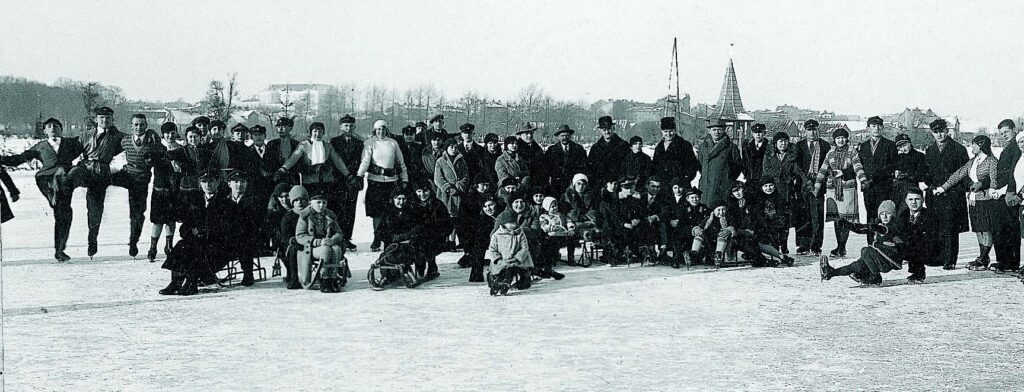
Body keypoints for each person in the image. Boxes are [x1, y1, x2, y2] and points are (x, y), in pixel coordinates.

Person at [0, 117, 82, 261]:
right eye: (49, 126)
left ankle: (60, 250)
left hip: (65, 181)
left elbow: (89, 147)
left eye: (55, 126)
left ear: (61, 129)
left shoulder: (71, 143)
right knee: (60, 182)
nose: (52, 128)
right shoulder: (39, 147)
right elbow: (19, 159)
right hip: (46, 179)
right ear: (45, 131)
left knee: (64, 212)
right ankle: (53, 190)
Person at [159, 170, 237, 296]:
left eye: (211, 181)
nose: (207, 185)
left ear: (217, 182)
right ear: (200, 184)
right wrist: (192, 231)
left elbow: (227, 229)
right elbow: (185, 226)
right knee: (182, 244)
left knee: (195, 248)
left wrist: (205, 231)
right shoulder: (196, 203)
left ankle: (191, 282)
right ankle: (176, 282)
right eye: (204, 182)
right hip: (198, 243)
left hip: (219, 247)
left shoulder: (226, 204)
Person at [64, 106, 126, 257]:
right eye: (102, 118)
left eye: (108, 118)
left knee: (95, 208)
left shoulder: (118, 136)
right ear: (97, 119)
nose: (105, 120)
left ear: (112, 120)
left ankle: (93, 237)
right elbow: (72, 152)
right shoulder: (85, 135)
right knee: (72, 174)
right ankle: (62, 200)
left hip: (101, 173)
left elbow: (133, 141)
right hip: (85, 167)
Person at [933, 135, 1000, 271]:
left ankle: (983, 257)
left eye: (974, 144)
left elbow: (994, 179)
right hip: (974, 200)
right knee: (978, 229)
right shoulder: (973, 161)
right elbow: (958, 175)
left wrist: (990, 189)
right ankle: (983, 257)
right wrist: (943, 187)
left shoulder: (991, 160)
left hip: (986, 199)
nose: (972, 147)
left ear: (981, 145)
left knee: (986, 229)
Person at [112, 114, 166, 258]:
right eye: (136, 124)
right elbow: (110, 150)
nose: (139, 127)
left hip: (140, 179)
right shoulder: (125, 141)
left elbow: (162, 154)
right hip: (126, 174)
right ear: (131, 126)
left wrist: (154, 155)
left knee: (137, 212)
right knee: (101, 178)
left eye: (142, 124)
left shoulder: (152, 140)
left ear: (146, 126)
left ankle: (133, 241)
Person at [820, 200, 905, 286]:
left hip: (890, 261)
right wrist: (847, 224)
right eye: (882, 214)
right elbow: (862, 228)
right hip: (879, 257)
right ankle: (831, 272)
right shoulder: (878, 224)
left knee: (866, 251)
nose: (885, 216)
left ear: (893, 215)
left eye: (888, 213)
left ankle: (875, 277)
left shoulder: (895, 227)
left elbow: (885, 230)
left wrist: (876, 227)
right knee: (856, 266)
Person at [923, 119, 969, 270]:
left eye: (942, 131)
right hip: (935, 194)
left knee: (950, 228)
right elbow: (927, 173)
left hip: (952, 194)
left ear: (947, 131)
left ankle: (950, 259)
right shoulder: (929, 151)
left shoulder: (959, 149)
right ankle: (938, 257)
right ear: (932, 133)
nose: (939, 134)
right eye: (936, 132)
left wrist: (955, 190)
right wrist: (929, 185)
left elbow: (965, 173)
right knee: (935, 225)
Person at [812, 127, 865, 258]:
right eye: (838, 138)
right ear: (834, 140)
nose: (840, 140)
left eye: (842, 138)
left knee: (845, 219)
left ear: (846, 139)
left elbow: (858, 167)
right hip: (832, 189)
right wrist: (817, 187)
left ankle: (842, 247)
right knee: (837, 219)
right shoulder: (830, 153)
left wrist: (863, 180)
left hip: (847, 189)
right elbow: (823, 170)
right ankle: (838, 245)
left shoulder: (852, 151)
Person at [279, 122, 352, 197]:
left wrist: (348, 174)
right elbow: (293, 158)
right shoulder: (304, 145)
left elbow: (338, 161)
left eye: (320, 131)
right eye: (315, 131)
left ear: (323, 133)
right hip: (310, 181)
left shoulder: (327, 146)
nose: (318, 134)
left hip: (326, 180)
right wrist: (283, 168)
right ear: (311, 132)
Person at [295, 192, 348, 293]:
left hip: (328, 243)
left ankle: (333, 278)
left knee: (336, 249)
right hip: (312, 247)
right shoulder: (305, 216)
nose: (321, 205)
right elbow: (300, 236)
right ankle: (324, 279)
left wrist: (333, 239)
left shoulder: (329, 215)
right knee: (325, 250)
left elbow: (338, 233)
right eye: (318, 202)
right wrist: (318, 242)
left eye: (324, 203)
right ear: (311, 203)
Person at [857, 116, 897, 245]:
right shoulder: (863, 146)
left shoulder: (890, 145)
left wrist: (873, 178)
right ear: (868, 128)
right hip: (868, 188)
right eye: (873, 126)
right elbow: (858, 165)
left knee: (884, 215)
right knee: (870, 215)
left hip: (883, 186)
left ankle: (884, 243)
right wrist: (863, 181)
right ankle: (871, 243)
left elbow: (892, 166)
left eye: (879, 126)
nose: (876, 129)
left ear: (882, 128)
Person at [761, 131, 803, 254]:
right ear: (775, 143)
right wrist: (781, 175)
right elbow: (766, 170)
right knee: (773, 219)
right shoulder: (769, 154)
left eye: (785, 141)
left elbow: (797, 170)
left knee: (785, 220)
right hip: (772, 191)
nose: (783, 144)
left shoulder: (791, 156)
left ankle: (784, 245)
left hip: (787, 192)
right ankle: (774, 245)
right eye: (781, 141)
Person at [147, 122, 183, 262]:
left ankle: (169, 246)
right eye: (167, 133)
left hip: (174, 190)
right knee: (157, 221)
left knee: (171, 219)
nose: (170, 135)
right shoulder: (157, 148)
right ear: (163, 134)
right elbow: (148, 162)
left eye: (172, 132)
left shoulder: (181, 149)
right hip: (159, 189)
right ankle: (153, 247)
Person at [794, 119, 831, 256]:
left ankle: (815, 246)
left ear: (818, 130)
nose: (812, 132)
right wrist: (804, 180)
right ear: (805, 131)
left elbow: (829, 166)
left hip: (819, 185)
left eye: (815, 129)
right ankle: (803, 245)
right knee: (803, 216)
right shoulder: (799, 145)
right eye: (809, 130)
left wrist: (821, 180)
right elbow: (796, 165)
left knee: (817, 216)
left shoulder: (825, 145)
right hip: (803, 185)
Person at [329, 114, 364, 251]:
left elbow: (362, 161)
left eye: (350, 126)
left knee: (350, 210)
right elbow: (332, 161)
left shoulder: (359, 143)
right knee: (337, 209)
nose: (348, 128)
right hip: (338, 181)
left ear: (354, 127)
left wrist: (358, 177)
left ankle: (347, 238)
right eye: (346, 126)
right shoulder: (334, 142)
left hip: (353, 181)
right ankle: (337, 237)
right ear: (341, 127)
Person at [991, 119, 1022, 272]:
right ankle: (1005, 259)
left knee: (1009, 229)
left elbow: (1013, 173)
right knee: (1001, 228)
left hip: (1010, 193)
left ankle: (1011, 262)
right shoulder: (1008, 147)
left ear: (1014, 129)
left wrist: (1006, 190)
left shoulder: (1017, 147)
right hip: (1003, 191)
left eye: (1006, 132)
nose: (1004, 135)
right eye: (1001, 133)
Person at [486, 209, 535, 296]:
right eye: (511, 223)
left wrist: (517, 258)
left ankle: (506, 283)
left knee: (511, 270)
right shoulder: (497, 235)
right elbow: (492, 249)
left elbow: (524, 248)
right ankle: (497, 283)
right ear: (504, 224)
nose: (514, 224)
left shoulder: (520, 233)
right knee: (501, 271)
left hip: (516, 260)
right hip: (501, 261)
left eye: (515, 222)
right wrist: (498, 260)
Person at [597, 178, 646, 265]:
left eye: (631, 188)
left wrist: (636, 219)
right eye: (626, 188)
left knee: (639, 228)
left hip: (626, 224)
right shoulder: (609, 200)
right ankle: (614, 253)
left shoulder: (630, 199)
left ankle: (636, 251)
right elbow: (611, 217)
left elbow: (638, 212)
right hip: (612, 225)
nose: (629, 190)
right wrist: (623, 224)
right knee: (620, 232)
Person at [698, 119, 743, 211]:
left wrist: (727, 177)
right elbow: (700, 164)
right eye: (714, 130)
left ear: (724, 130)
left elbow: (738, 165)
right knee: (706, 211)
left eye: (719, 129)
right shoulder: (703, 147)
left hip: (723, 185)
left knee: (722, 211)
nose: (717, 132)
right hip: (706, 185)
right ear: (709, 131)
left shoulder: (731, 147)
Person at [895, 188, 938, 283]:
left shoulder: (929, 215)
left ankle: (919, 273)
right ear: (906, 201)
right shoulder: (904, 214)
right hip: (910, 246)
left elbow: (930, 238)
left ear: (922, 200)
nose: (913, 202)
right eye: (910, 199)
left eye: (917, 199)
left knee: (916, 243)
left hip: (926, 250)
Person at [412, 181, 453, 280]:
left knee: (427, 244)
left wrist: (440, 233)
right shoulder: (412, 204)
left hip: (435, 237)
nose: (422, 194)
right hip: (417, 236)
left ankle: (431, 268)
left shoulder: (437, 204)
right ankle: (420, 269)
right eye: (419, 191)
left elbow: (446, 223)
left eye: (425, 191)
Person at [434, 137, 469, 250]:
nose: (453, 149)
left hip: (457, 193)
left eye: (455, 147)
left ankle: (452, 241)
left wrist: (459, 185)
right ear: (446, 148)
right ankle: (444, 240)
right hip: (446, 194)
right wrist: (447, 187)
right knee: (446, 217)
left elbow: (465, 175)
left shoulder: (461, 159)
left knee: (455, 217)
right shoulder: (440, 161)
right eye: (451, 147)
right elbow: (438, 178)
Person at [664, 184, 710, 268]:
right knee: (677, 238)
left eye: (697, 197)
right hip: (686, 236)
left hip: (700, 236)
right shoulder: (682, 209)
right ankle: (677, 258)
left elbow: (708, 221)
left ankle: (701, 256)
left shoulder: (704, 209)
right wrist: (692, 230)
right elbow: (679, 226)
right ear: (687, 199)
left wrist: (699, 230)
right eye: (692, 197)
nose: (695, 199)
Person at [653, 117, 699, 190]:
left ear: (675, 131)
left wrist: (685, 179)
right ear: (661, 131)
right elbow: (655, 166)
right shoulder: (659, 147)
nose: (668, 134)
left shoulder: (684, 145)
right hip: (663, 186)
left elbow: (692, 165)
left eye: (671, 131)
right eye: (665, 131)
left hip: (680, 186)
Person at [586, 116, 631, 187]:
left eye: (609, 129)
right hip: (601, 185)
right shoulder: (595, 148)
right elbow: (591, 169)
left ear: (613, 128)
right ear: (600, 131)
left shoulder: (623, 145)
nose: (607, 132)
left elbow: (629, 165)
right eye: (604, 130)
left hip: (619, 185)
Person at [280, 185, 309, 289]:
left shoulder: (311, 214)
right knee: (292, 251)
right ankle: (294, 279)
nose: (300, 202)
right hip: (294, 243)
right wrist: (293, 240)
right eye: (296, 200)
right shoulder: (289, 216)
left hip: (309, 241)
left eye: (302, 200)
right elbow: (285, 234)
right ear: (292, 202)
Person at [545, 125, 588, 194]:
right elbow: (547, 168)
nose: (565, 138)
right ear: (558, 137)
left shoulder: (579, 149)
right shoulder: (551, 150)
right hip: (557, 185)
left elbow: (583, 167)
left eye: (567, 135)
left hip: (573, 184)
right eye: (562, 136)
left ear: (570, 136)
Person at [468, 196, 502, 282]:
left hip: (503, 240)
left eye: (490, 205)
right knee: (478, 246)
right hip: (487, 239)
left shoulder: (502, 215)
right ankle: (476, 275)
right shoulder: (480, 218)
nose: (488, 209)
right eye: (485, 206)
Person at [891, 134, 927, 210]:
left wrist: (908, 175)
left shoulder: (919, 156)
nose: (903, 149)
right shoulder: (899, 157)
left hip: (912, 189)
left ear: (910, 143)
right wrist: (895, 173)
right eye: (900, 147)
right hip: (898, 189)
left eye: (905, 145)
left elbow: (922, 174)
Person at [268, 117, 300, 185]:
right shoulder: (272, 144)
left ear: (291, 128)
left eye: (284, 126)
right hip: (275, 179)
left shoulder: (297, 144)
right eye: (279, 126)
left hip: (292, 178)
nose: (281, 129)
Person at [742, 123, 769, 188]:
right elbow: (744, 163)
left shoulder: (769, 146)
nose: (758, 134)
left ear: (764, 133)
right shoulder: (747, 147)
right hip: (750, 179)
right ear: (752, 134)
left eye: (760, 132)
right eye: (755, 132)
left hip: (764, 180)